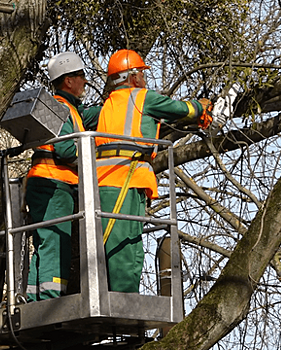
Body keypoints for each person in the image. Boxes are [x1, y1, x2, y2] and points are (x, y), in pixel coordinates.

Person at [95, 49, 213, 293]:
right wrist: (201, 108)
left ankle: (113, 296)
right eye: (142, 74)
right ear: (134, 76)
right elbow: (182, 110)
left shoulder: (108, 106)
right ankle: (125, 302)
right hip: (126, 179)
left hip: (103, 181)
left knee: (109, 241)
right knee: (126, 244)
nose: (145, 79)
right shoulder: (143, 98)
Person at [26, 52, 100, 301]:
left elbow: (90, 117)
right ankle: (49, 301)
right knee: (56, 243)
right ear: (68, 80)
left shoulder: (66, 108)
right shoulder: (62, 108)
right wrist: (93, 157)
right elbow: (66, 149)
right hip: (54, 183)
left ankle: (36, 297)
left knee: (46, 242)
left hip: (45, 182)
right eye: (82, 76)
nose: (86, 82)